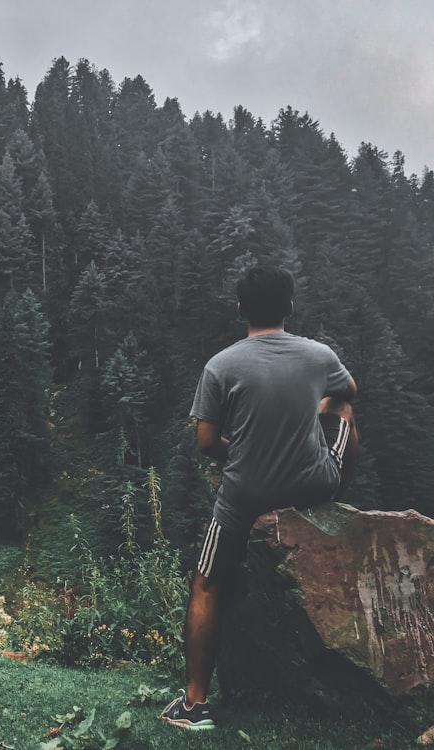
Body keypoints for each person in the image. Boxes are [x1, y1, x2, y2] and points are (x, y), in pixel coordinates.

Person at [160, 265, 358, 731]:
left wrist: (242, 450)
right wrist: (320, 405)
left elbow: (206, 444)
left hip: (245, 494)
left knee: (207, 584)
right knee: (345, 411)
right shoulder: (319, 356)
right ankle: (334, 506)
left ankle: (193, 707)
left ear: (239, 310)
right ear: (290, 307)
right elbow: (349, 392)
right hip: (313, 484)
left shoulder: (221, 365)